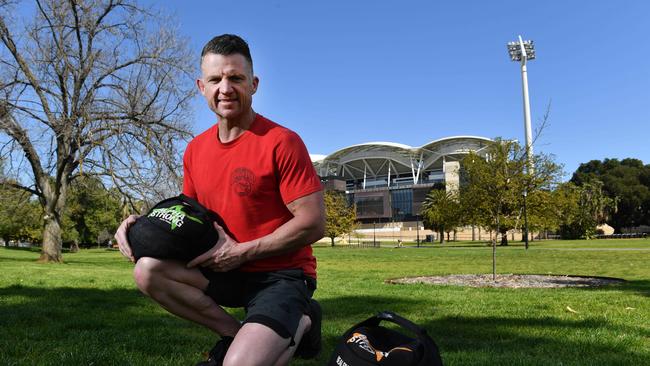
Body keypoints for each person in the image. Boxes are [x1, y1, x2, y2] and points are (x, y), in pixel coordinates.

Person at [114, 34, 325, 366]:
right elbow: (188, 217)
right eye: (215, 79)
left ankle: (301, 319)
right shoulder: (196, 150)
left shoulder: (281, 142)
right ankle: (235, 334)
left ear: (253, 84)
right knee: (147, 272)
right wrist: (140, 225)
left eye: (235, 78)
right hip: (224, 272)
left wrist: (241, 252)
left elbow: (313, 223)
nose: (225, 88)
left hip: (281, 274)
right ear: (201, 86)